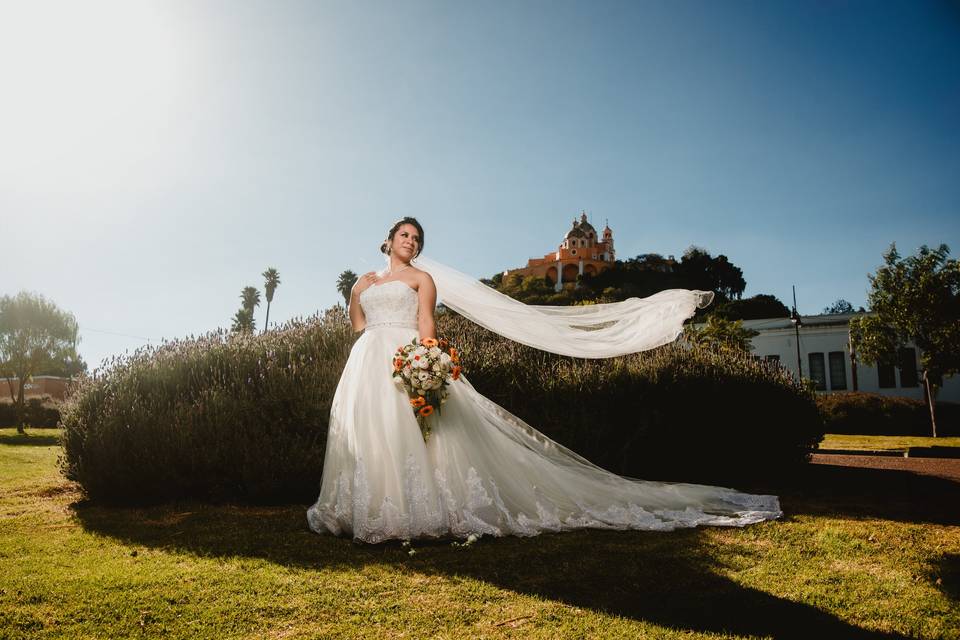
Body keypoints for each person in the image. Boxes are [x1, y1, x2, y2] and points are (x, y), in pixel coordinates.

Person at [307, 217, 781, 543]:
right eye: (404, 235)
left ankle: (409, 514)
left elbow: (427, 327)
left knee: (412, 434)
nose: (411, 242)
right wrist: (358, 293)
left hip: (408, 355)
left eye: (417, 238)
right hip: (367, 359)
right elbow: (358, 326)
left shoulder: (422, 281)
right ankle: (365, 509)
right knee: (371, 431)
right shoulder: (364, 282)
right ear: (387, 240)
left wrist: (425, 365)